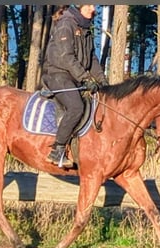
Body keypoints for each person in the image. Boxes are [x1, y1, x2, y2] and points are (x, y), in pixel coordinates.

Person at [42, 4, 108, 168]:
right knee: (76, 107)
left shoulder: (85, 29)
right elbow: (66, 57)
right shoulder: (66, 24)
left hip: (75, 78)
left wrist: (103, 82)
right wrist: (85, 78)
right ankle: (57, 150)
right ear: (79, 6)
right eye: (90, 5)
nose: (93, 9)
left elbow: (92, 60)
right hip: (58, 75)